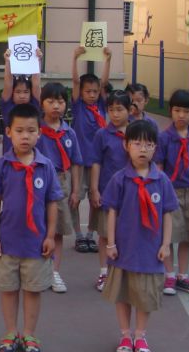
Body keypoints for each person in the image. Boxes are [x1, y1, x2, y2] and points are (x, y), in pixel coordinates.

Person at [0, 103, 62, 352]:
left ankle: (29, 334)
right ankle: (10, 332)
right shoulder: (2, 166)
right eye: (19, 131)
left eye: (31, 130)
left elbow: (52, 203)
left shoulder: (46, 166)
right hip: (7, 241)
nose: (25, 136)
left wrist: (50, 236)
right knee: (8, 290)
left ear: (39, 133)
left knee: (32, 290)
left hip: (37, 243)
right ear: (8, 132)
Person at [103, 120, 178, 352]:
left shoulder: (162, 180)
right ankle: (126, 336)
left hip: (150, 250)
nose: (143, 149)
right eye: (137, 143)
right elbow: (112, 212)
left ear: (156, 148)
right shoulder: (119, 179)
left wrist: (166, 244)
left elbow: (167, 214)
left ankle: (141, 335)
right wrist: (111, 243)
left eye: (148, 144)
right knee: (123, 294)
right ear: (126, 146)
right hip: (124, 249)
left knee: (145, 296)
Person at [154, 89, 189, 296]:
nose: (181, 115)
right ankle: (169, 275)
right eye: (177, 110)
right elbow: (158, 168)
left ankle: (183, 276)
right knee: (169, 235)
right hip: (172, 193)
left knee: (188, 234)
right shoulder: (164, 138)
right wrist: (161, 195)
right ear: (171, 111)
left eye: (186, 111)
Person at [36, 82, 83, 293]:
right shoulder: (37, 131)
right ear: (42, 103)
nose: (56, 106)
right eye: (51, 101)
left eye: (61, 101)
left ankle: (54, 271)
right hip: (39, 182)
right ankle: (37, 270)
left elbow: (75, 163)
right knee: (38, 226)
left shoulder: (69, 133)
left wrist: (75, 190)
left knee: (58, 230)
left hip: (62, 183)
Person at [70, 45, 112, 254]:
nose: (92, 94)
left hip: (98, 163)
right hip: (79, 161)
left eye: (95, 91)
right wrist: (75, 58)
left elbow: (104, 83)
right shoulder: (78, 106)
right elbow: (76, 82)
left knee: (97, 200)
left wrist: (108, 60)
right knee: (75, 198)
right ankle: (78, 236)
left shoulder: (102, 107)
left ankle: (90, 235)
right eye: (88, 91)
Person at [89, 89, 132, 293]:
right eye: (111, 110)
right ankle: (104, 272)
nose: (115, 114)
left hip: (131, 193)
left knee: (128, 233)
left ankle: (125, 270)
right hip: (108, 192)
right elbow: (96, 163)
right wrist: (95, 189)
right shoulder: (102, 134)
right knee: (106, 234)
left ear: (129, 110)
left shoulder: (136, 133)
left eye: (120, 109)